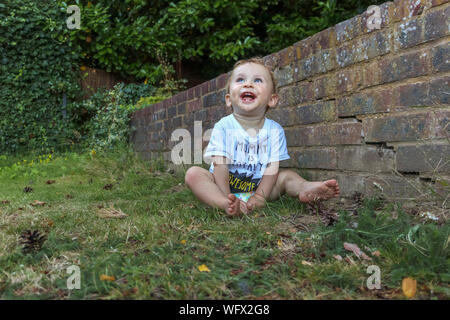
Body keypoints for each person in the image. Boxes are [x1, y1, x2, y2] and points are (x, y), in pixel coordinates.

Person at [185, 57, 340, 216]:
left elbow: (272, 168)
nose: (248, 84)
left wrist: (259, 196)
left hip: (260, 188)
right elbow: (220, 165)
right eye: (240, 79)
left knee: (287, 176)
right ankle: (224, 203)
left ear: (272, 100)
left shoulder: (275, 130)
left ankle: (305, 187)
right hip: (222, 186)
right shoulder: (223, 126)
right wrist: (227, 197)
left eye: (257, 80)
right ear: (228, 99)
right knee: (194, 174)